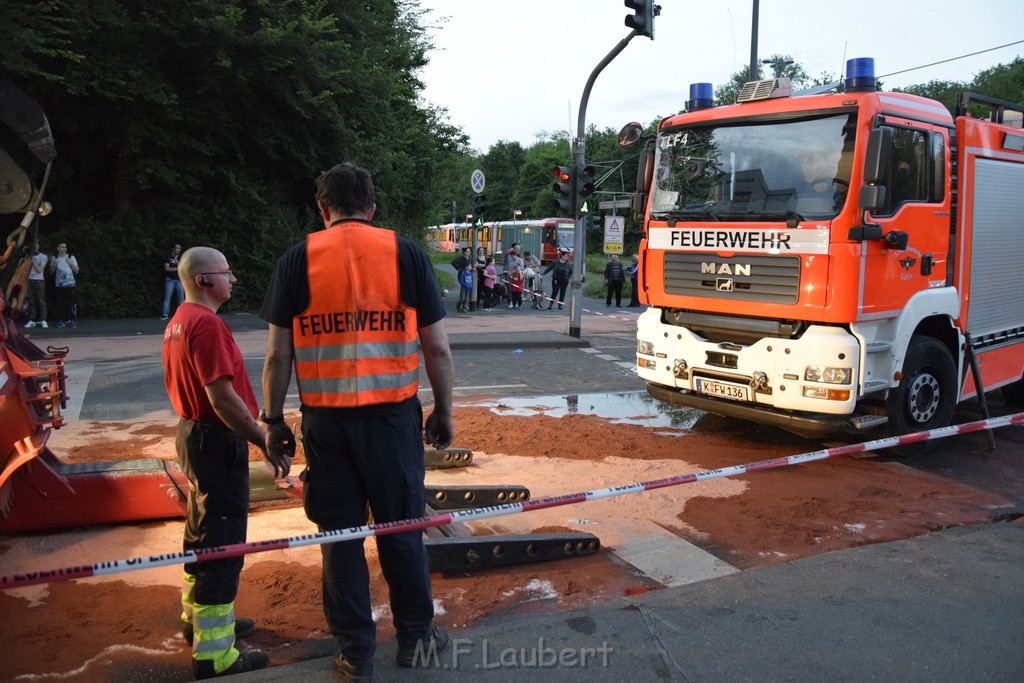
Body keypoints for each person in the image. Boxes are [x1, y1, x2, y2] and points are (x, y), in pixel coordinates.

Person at [260, 162, 454, 681]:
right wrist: (445, 410)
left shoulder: (296, 260)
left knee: (339, 538)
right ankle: (415, 640)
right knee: (402, 532)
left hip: (326, 426)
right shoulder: (406, 254)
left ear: (322, 209)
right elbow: (435, 347)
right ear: (372, 208)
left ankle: (354, 654)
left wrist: (273, 420)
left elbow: (278, 357)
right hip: (392, 422)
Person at [162, 246, 289, 679]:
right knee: (223, 543)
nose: (233, 279)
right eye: (226, 272)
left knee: (201, 531)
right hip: (216, 441)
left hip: (193, 436)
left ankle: (195, 620)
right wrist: (263, 440)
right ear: (203, 281)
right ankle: (215, 655)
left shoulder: (179, 321)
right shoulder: (207, 324)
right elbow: (222, 398)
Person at [49, 242, 80, 328]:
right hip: (59, 285)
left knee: (71, 303)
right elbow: (51, 272)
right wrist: (54, 265)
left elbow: (77, 270)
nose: (64, 249)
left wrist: (70, 263)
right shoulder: (55, 258)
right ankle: (61, 320)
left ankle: (73, 320)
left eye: (65, 247)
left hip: (70, 284)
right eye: (62, 247)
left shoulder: (71, 257)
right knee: (60, 303)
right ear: (58, 248)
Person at [24, 241, 48, 328]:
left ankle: (43, 320)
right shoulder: (28, 256)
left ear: (38, 247)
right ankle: (32, 320)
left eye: (35, 247)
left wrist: (32, 261)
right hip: (30, 280)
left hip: (39, 280)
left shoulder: (43, 256)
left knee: (41, 300)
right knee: (31, 300)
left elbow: (40, 269)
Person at [162, 243, 185, 320]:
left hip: (179, 279)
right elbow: (167, 269)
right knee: (167, 297)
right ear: (173, 249)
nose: (179, 250)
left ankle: (182, 314)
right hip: (170, 279)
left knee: (181, 298)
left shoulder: (180, 257)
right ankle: (165, 314)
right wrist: (177, 268)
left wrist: (177, 262)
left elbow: (182, 268)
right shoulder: (168, 257)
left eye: (180, 248)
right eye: (178, 248)